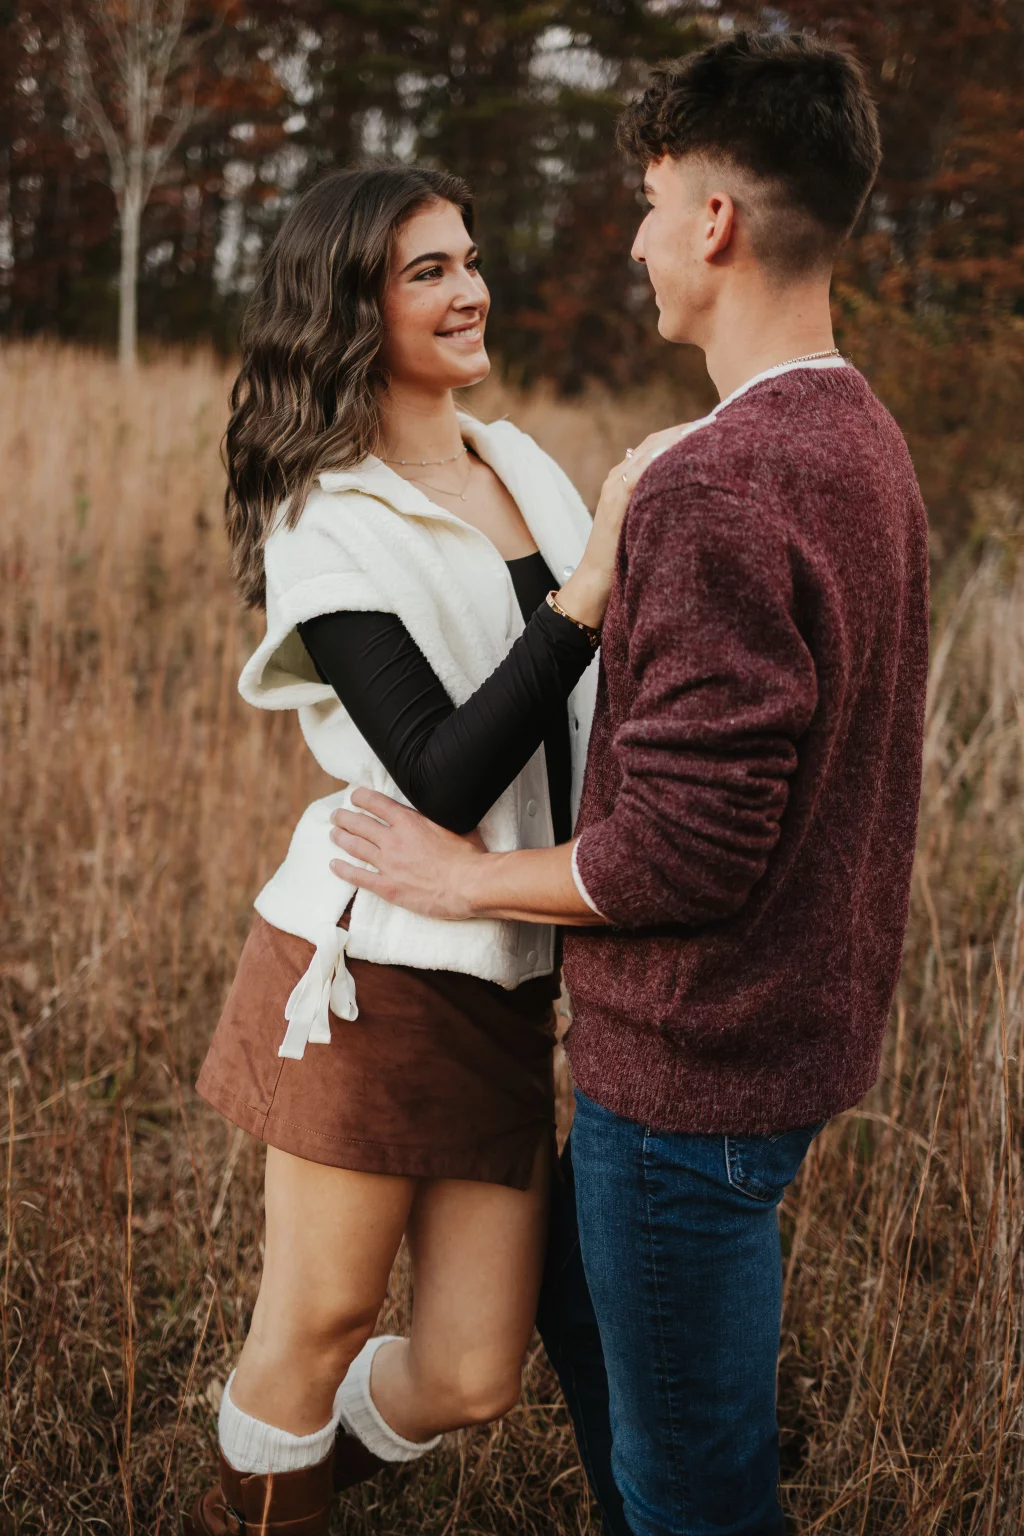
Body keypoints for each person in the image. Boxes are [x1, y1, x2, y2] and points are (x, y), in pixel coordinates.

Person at [327, 33, 931, 1536]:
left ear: (715, 223)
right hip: (779, 1048)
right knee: (638, 1441)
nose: (641, 240)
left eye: (652, 203)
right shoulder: (857, 436)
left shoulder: (722, 480)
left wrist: (458, 876)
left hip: (690, 1090)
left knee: (692, 1498)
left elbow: (676, 857)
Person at [185, 166, 675, 1535]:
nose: (471, 291)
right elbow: (445, 776)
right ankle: (267, 1493)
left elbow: (597, 705)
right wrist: (586, 590)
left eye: (469, 259)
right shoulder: (324, 518)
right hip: (377, 968)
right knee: (324, 1314)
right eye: (428, 273)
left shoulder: (519, 461)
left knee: (468, 1373)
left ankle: (264, 1486)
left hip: (512, 963)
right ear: (351, 306)